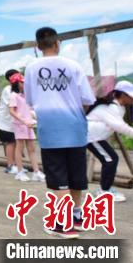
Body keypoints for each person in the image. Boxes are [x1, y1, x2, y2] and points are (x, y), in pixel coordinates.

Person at [25, 27, 96, 238]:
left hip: (50, 130)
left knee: (59, 179)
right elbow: (88, 99)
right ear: (58, 43)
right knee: (75, 177)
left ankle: (64, 225)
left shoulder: (31, 68)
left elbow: (30, 100)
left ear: (38, 46)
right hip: (75, 129)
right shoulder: (73, 66)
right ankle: (76, 217)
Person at [86, 80, 133, 202]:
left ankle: (105, 189)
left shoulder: (118, 106)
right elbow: (120, 126)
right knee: (110, 159)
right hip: (91, 137)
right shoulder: (111, 107)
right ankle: (104, 192)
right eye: (131, 96)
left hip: (96, 137)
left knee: (111, 159)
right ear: (123, 95)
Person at [8, 72, 45, 182]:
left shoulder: (26, 96)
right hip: (20, 125)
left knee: (32, 149)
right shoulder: (14, 96)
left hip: (29, 125)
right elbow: (11, 111)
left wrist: (33, 117)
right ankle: (20, 172)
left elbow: (30, 109)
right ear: (16, 83)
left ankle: (36, 172)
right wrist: (23, 120)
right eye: (22, 82)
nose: (24, 84)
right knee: (19, 148)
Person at [0, 69, 19, 174]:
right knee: (10, 143)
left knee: (15, 143)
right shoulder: (7, 89)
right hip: (5, 122)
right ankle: (10, 165)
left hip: (13, 122)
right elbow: (12, 105)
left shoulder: (17, 89)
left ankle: (16, 164)